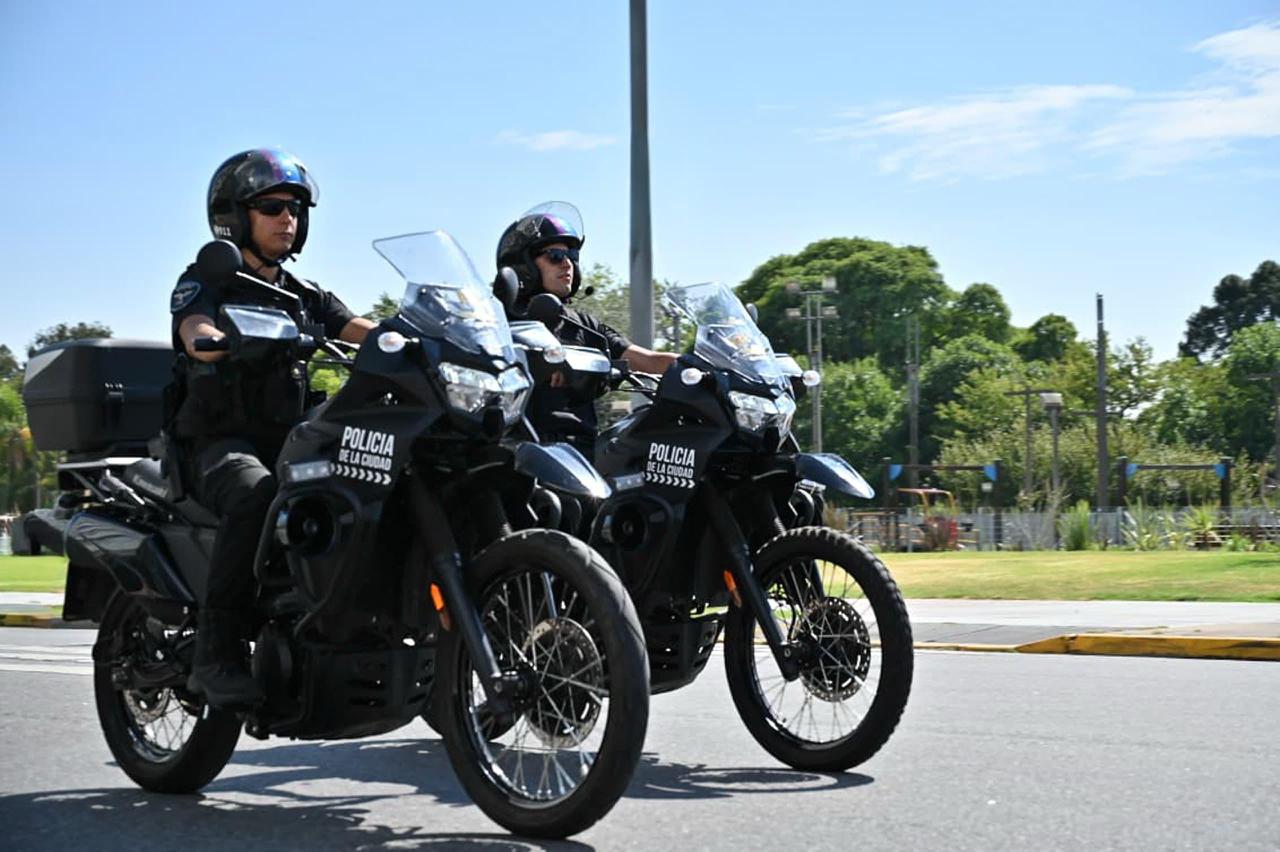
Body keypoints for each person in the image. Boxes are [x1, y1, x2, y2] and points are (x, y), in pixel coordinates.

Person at [169, 148, 375, 707]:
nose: (287, 218)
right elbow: (194, 328)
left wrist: (422, 339)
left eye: (295, 209)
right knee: (255, 493)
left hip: (289, 442)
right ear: (235, 217)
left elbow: (361, 328)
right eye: (272, 207)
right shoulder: (207, 280)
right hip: (216, 445)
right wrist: (214, 340)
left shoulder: (302, 294)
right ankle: (216, 654)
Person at [495, 204, 677, 449]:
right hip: (521, 448)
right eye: (555, 256)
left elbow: (648, 361)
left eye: (571, 256)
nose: (567, 264)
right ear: (523, 264)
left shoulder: (584, 326)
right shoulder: (498, 322)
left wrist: (706, 365)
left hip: (583, 449)